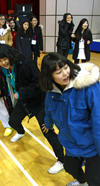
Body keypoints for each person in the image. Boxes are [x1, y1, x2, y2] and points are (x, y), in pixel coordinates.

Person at [0, 44, 65, 174]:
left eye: (5, 59)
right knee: (13, 121)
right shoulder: (5, 69)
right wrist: (1, 90)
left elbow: (39, 84)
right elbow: (6, 81)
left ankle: (62, 160)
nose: (3, 63)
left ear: (9, 55)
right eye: (0, 61)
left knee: (47, 131)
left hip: (39, 102)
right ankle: (20, 132)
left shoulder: (25, 63)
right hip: (25, 102)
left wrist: (21, 93)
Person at [40, 52, 100, 186]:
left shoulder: (88, 87)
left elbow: (98, 120)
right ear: (49, 76)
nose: (65, 73)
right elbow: (49, 110)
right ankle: (82, 183)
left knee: (95, 180)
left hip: (92, 145)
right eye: (58, 72)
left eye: (66, 68)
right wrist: (48, 124)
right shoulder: (51, 93)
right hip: (70, 143)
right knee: (70, 167)